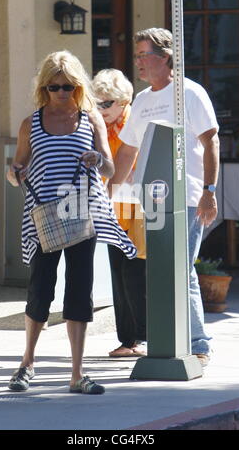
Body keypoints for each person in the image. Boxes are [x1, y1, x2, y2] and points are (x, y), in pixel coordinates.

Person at [6, 50, 136, 394]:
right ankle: (26, 363)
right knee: (39, 291)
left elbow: (109, 169)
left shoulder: (90, 118)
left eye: (67, 86)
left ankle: (77, 373)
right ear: (44, 88)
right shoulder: (31, 124)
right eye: (53, 87)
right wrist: (14, 172)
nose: (61, 92)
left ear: (77, 86)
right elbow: (16, 169)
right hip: (44, 217)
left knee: (79, 293)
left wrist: (97, 158)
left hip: (83, 213)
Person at [108, 28, 220, 367]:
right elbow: (128, 151)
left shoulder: (189, 93)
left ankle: (199, 343)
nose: (138, 62)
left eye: (145, 55)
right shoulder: (142, 101)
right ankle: (166, 340)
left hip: (187, 197)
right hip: (151, 200)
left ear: (166, 57)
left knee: (181, 270)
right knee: (158, 271)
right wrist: (108, 192)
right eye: (137, 55)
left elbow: (211, 141)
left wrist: (209, 192)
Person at [92, 69, 147, 357]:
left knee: (135, 274)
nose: (101, 109)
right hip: (111, 210)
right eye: (96, 103)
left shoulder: (134, 124)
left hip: (137, 210)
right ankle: (127, 341)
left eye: (107, 103)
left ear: (124, 100)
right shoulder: (97, 127)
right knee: (117, 275)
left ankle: (143, 337)